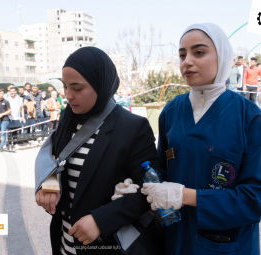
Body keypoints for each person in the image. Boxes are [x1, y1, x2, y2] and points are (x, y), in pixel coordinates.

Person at [120, 23, 261, 255]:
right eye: (182, 55)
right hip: (175, 240)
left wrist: (185, 196)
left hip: (227, 244)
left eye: (199, 52)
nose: (187, 61)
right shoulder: (172, 112)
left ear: (222, 56)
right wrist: (136, 190)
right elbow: (162, 174)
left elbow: (255, 199)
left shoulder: (250, 118)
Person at [35, 47, 164, 255]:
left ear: (101, 84)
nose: (69, 96)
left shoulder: (131, 127)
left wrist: (101, 220)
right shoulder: (68, 120)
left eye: (77, 88)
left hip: (107, 243)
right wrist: (48, 181)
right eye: (65, 87)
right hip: (65, 243)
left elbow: (151, 189)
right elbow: (55, 159)